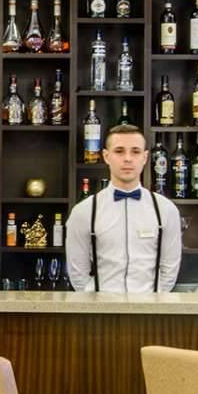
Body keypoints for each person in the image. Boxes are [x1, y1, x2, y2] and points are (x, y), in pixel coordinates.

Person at [66, 124, 182, 293]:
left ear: (145, 157)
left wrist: (152, 301)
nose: (127, 158)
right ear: (106, 156)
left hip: (150, 306)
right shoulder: (83, 212)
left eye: (135, 151)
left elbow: (169, 270)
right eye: (119, 151)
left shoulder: (166, 210)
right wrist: (97, 301)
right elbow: (77, 273)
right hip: (101, 306)